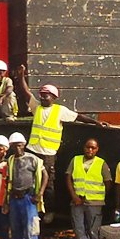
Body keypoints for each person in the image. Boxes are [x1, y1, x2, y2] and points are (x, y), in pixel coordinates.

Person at [15, 69, 104, 213]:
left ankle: (49, 210)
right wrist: (21, 77)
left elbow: (78, 117)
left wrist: (96, 122)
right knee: (29, 180)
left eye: (46, 96)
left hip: (48, 154)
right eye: (42, 95)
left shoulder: (60, 111)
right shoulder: (36, 107)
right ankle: (31, 208)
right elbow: (26, 92)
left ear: (54, 97)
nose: (43, 98)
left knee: (48, 182)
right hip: (32, 151)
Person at [66, 137, 113, 239]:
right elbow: (68, 177)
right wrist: (74, 196)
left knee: (92, 233)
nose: (90, 150)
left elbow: (108, 182)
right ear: (84, 148)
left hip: (94, 202)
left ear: (97, 149)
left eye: (93, 148)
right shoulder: (75, 160)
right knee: (79, 231)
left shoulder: (101, 163)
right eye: (88, 147)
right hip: (77, 202)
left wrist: (99, 195)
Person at [5, 131, 47, 239]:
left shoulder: (33, 159)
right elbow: (7, 181)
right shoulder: (10, 160)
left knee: (31, 231)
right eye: (14, 146)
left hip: (28, 199)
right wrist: (6, 201)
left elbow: (45, 175)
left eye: (19, 145)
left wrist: (40, 193)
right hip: (14, 199)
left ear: (24, 145)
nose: (17, 148)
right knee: (16, 231)